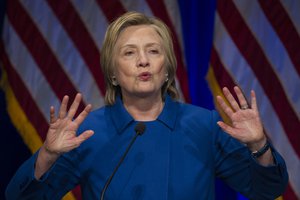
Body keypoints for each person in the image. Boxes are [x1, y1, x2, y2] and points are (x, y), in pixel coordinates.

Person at [6, 11, 288, 200]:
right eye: (129, 53)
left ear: (166, 69)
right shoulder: (88, 133)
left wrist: (259, 145)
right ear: (113, 73)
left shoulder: (204, 125)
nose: (143, 60)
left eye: (153, 51)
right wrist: (46, 155)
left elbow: (267, 190)